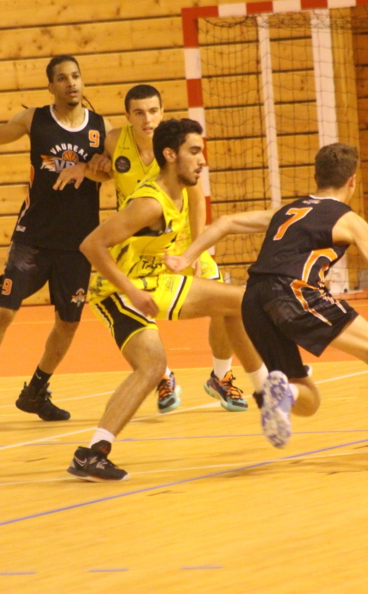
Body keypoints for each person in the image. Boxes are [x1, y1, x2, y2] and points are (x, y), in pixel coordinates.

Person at [165, 142, 368, 469]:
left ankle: (286, 394)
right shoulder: (351, 221)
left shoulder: (288, 211)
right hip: (293, 291)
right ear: (352, 180)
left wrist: (185, 257)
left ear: (316, 176)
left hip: (253, 299)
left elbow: (225, 222)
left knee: (307, 399)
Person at [66, 118, 268, 481]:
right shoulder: (149, 203)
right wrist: (131, 291)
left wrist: (187, 258)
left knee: (238, 300)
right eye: (194, 151)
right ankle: (92, 453)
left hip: (155, 279)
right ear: (171, 155)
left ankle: (265, 394)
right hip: (118, 290)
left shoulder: (183, 190)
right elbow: (91, 245)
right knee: (152, 365)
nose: (202, 159)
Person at [0, 55, 112, 428]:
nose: (71, 83)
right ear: (50, 86)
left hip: (78, 243)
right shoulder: (34, 120)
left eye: (76, 76)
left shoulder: (103, 128)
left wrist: (87, 167)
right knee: (5, 311)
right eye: (62, 78)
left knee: (68, 322)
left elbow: (115, 170)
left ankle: (35, 391)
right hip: (33, 237)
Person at [56, 84, 248, 414]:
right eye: (139, 113)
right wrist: (86, 168)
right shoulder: (115, 141)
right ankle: (162, 374)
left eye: (154, 111)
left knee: (225, 301)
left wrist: (196, 249)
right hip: (136, 246)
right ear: (128, 116)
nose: (148, 119)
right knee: (141, 306)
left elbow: (196, 198)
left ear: (162, 112)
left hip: (179, 240)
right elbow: (105, 173)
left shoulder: (176, 147)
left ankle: (221, 375)